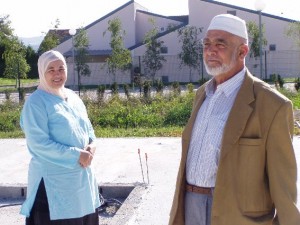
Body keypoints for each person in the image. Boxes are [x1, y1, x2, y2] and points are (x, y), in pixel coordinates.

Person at [169, 14, 300, 225]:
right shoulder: (202, 94)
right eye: (207, 43)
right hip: (190, 209)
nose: (210, 50)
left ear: (242, 51)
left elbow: (284, 189)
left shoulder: (272, 105)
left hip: (238, 218)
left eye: (220, 44)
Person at [20, 50, 101, 225]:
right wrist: (77, 154)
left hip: (82, 187)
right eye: (51, 70)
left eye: (61, 69)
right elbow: (38, 144)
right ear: (42, 72)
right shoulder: (36, 102)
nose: (57, 74)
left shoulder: (73, 97)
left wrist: (92, 147)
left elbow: (89, 131)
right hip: (54, 188)